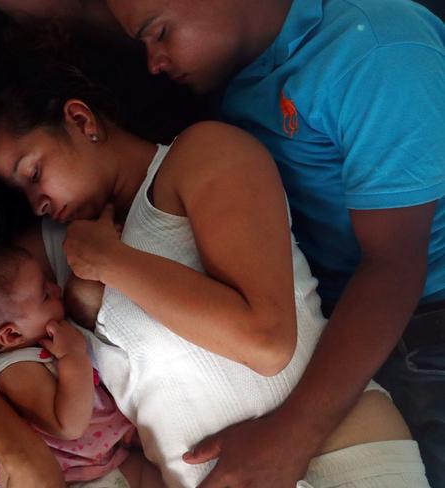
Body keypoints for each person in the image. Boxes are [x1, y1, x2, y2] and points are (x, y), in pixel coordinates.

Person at [0, 58, 429, 487]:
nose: (37, 202)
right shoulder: (47, 255)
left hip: (339, 454)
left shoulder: (200, 158)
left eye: (33, 173)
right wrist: (19, 453)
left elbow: (266, 342)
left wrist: (111, 261)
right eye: (22, 194)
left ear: (80, 120)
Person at [102, 0, 445, 487]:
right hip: (338, 301)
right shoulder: (239, 64)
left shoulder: (377, 54)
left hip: (424, 313)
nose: (154, 63)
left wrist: (289, 438)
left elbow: (394, 267)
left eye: (158, 34)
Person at [0, 246, 164, 488]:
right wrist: (74, 357)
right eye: (45, 295)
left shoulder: (45, 346)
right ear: (11, 335)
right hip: (74, 476)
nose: (56, 288)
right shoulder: (15, 370)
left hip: (101, 460)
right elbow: (68, 426)